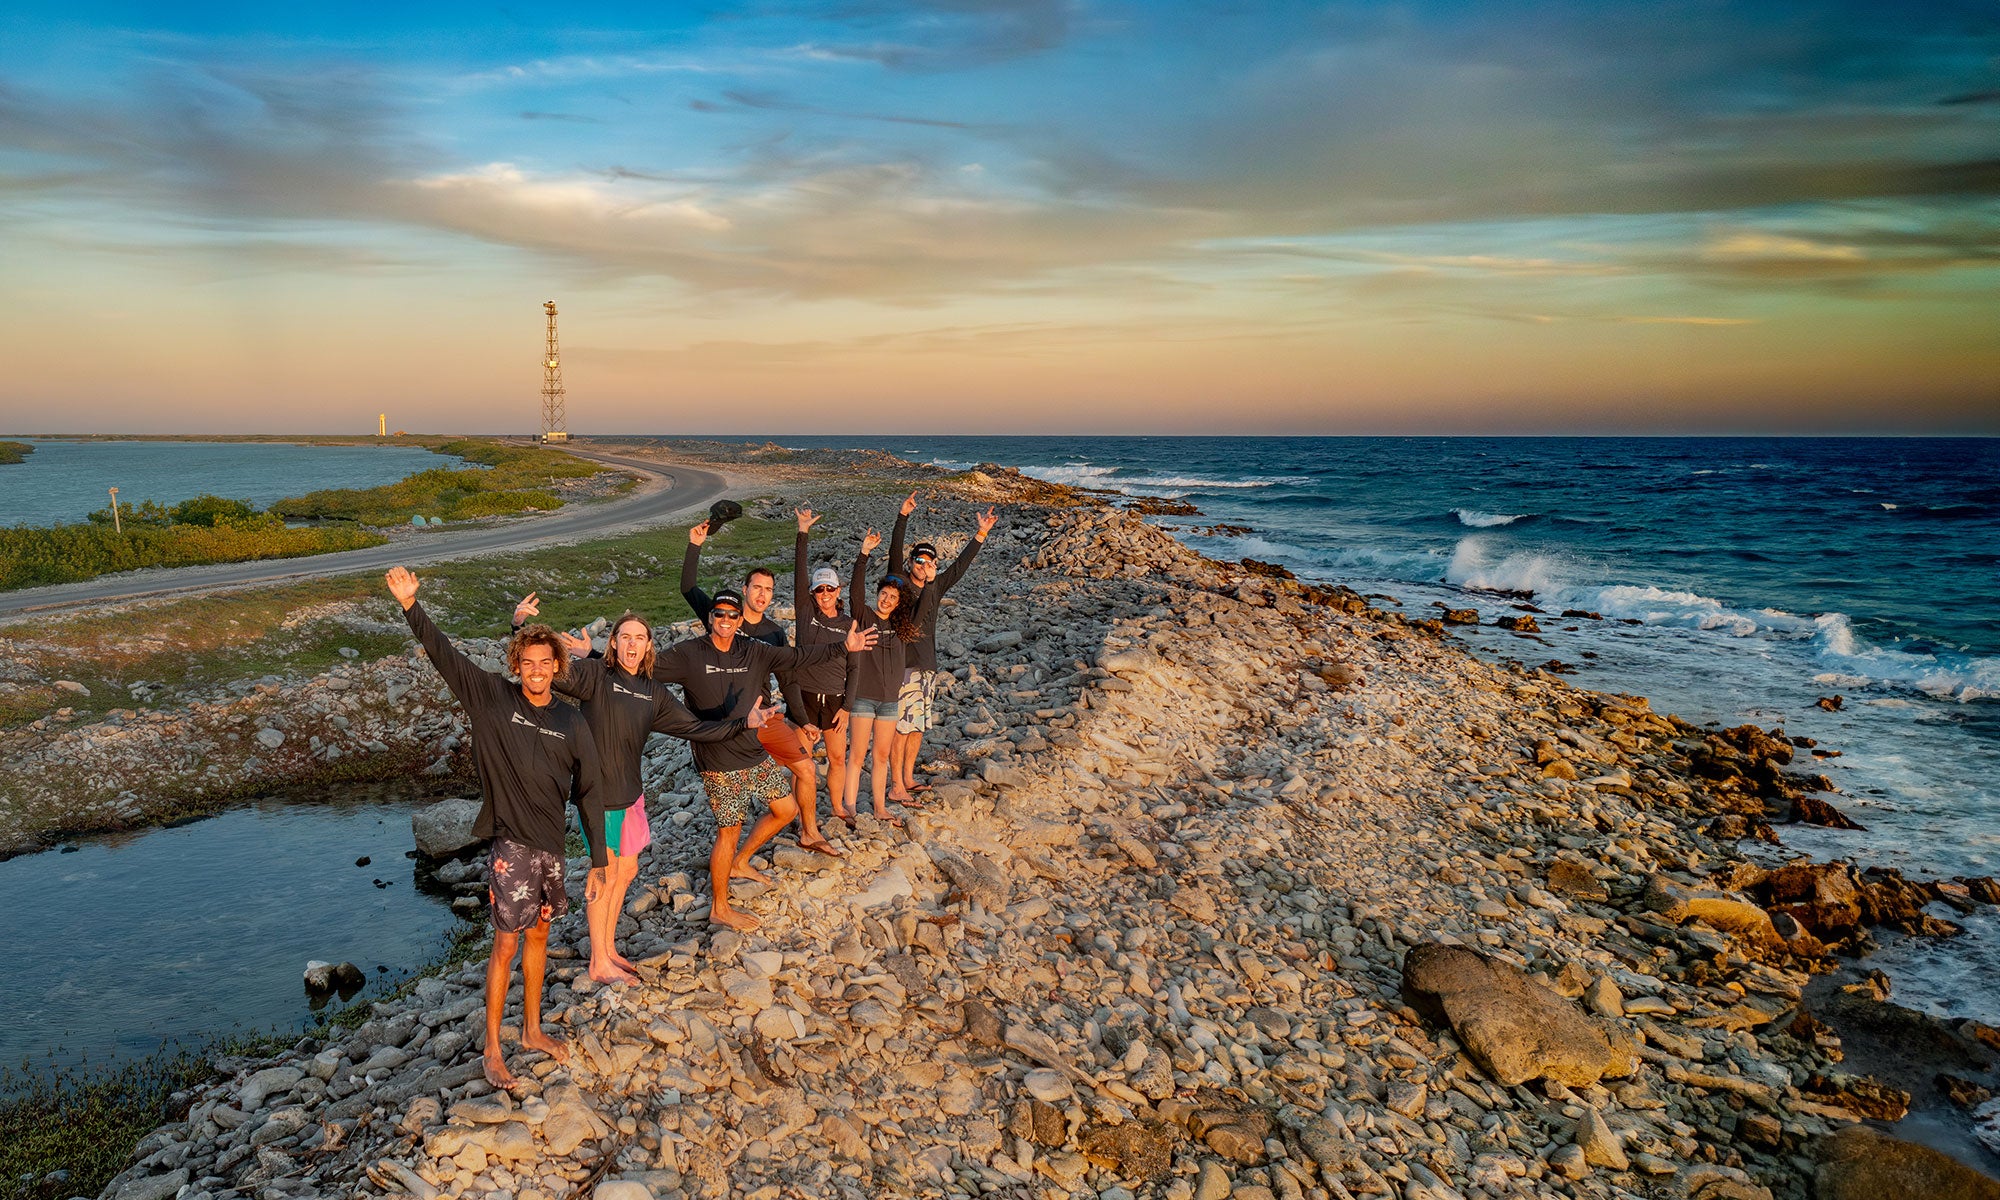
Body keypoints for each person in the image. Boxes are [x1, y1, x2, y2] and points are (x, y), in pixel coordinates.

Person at [384, 566, 602, 1092]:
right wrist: (412, 607)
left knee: (541, 935)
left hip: (552, 845)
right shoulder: (491, 698)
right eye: (526, 664)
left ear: (557, 667)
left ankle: (531, 1030)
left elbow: (590, 793)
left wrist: (598, 859)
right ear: (516, 665)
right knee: (505, 944)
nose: (535, 672)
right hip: (510, 844)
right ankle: (492, 1047)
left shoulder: (572, 721)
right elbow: (446, 658)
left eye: (544, 664)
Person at [544, 607, 775, 984]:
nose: (632, 643)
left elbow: (696, 727)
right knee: (606, 873)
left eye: (639, 637)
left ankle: (608, 947)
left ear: (649, 646)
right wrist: (520, 626)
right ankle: (598, 960)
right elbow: (545, 670)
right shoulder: (594, 675)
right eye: (625, 637)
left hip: (631, 794)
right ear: (613, 643)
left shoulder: (653, 692)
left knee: (629, 869)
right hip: (598, 796)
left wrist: (743, 724)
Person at [653, 586, 875, 931]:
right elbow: (642, 668)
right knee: (729, 829)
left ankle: (741, 861)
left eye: (731, 615)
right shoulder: (689, 653)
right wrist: (594, 657)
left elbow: (797, 658)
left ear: (739, 619)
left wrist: (843, 647)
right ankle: (719, 907)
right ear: (710, 618)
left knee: (786, 810)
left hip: (751, 749)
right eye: (718, 614)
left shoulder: (754, 651)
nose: (725, 620)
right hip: (717, 755)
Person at [682, 520, 830, 855]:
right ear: (745, 589)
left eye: (769, 590)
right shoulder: (723, 614)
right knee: (736, 809)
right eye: (757, 588)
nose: (763, 595)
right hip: (727, 723)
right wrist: (695, 545)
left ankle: (809, 831)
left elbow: (788, 678)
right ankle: (736, 853)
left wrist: (802, 718)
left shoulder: (774, 633)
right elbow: (688, 586)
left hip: (764, 718)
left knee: (807, 769)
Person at [884, 493, 1000, 799]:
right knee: (901, 728)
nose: (924, 565)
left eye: (929, 561)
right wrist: (902, 516)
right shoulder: (900, 584)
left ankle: (907, 778)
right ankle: (896, 785)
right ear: (911, 563)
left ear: (935, 564)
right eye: (918, 560)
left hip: (927, 667)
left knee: (918, 726)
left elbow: (961, 566)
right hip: (904, 666)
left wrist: (981, 534)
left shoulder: (936, 586)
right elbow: (894, 554)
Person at [840, 530, 920, 828]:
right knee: (858, 754)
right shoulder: (864, 615)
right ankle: (848, 806)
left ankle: (879, 807)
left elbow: (915, 593)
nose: (887, 600)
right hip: (863, 696)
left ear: (900, 602)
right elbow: (855, 592)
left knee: (882, 755)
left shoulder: (901, 627)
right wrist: (864, 554)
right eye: (884, 594)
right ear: (878, 596)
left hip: (889, 700)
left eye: (893, 597)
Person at [790, 507, 852, 850]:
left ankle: (838, 806)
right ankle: (805, 819)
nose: (824, 595)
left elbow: (855, 667)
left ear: (838, 592)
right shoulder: (804, 614)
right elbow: (799, 575)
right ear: (812, 594)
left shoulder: (848, 624)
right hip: (805, 696)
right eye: (819, 590)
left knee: (838, 758)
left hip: (836, 699)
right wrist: (803, 533)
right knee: (804, 763)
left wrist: (849, 705)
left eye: (830, 590)